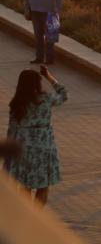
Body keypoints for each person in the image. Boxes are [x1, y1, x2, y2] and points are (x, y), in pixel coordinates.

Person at [5, 67, 67, 205]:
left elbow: (11, 131)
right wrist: (49, 77)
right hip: (44, 149)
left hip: (23, 150)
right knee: (43, 187)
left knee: (24, 187)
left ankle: (27, 219)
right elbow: (63, 94)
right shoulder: (45, 99)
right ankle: (38, 216)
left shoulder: (17, 103)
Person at [24, 0, 64, 65]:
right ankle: (39, 57)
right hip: (35, 12)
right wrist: (27, 9)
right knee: (38, 36)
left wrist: (57, 9)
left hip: (49, 13)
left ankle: (50, 59)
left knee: (50, 37)